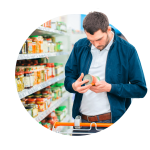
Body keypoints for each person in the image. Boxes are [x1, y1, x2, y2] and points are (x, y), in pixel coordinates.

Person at [64, 11, 148, 136]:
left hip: (111, 122)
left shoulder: (128, 51)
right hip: (81, 122)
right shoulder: (80, 46)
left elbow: (141, 90)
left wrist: (110, 87)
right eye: (91, 40)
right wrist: (73, 86)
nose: (96, 44)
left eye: (99, 39)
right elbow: (69, 78)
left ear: (108, 29)